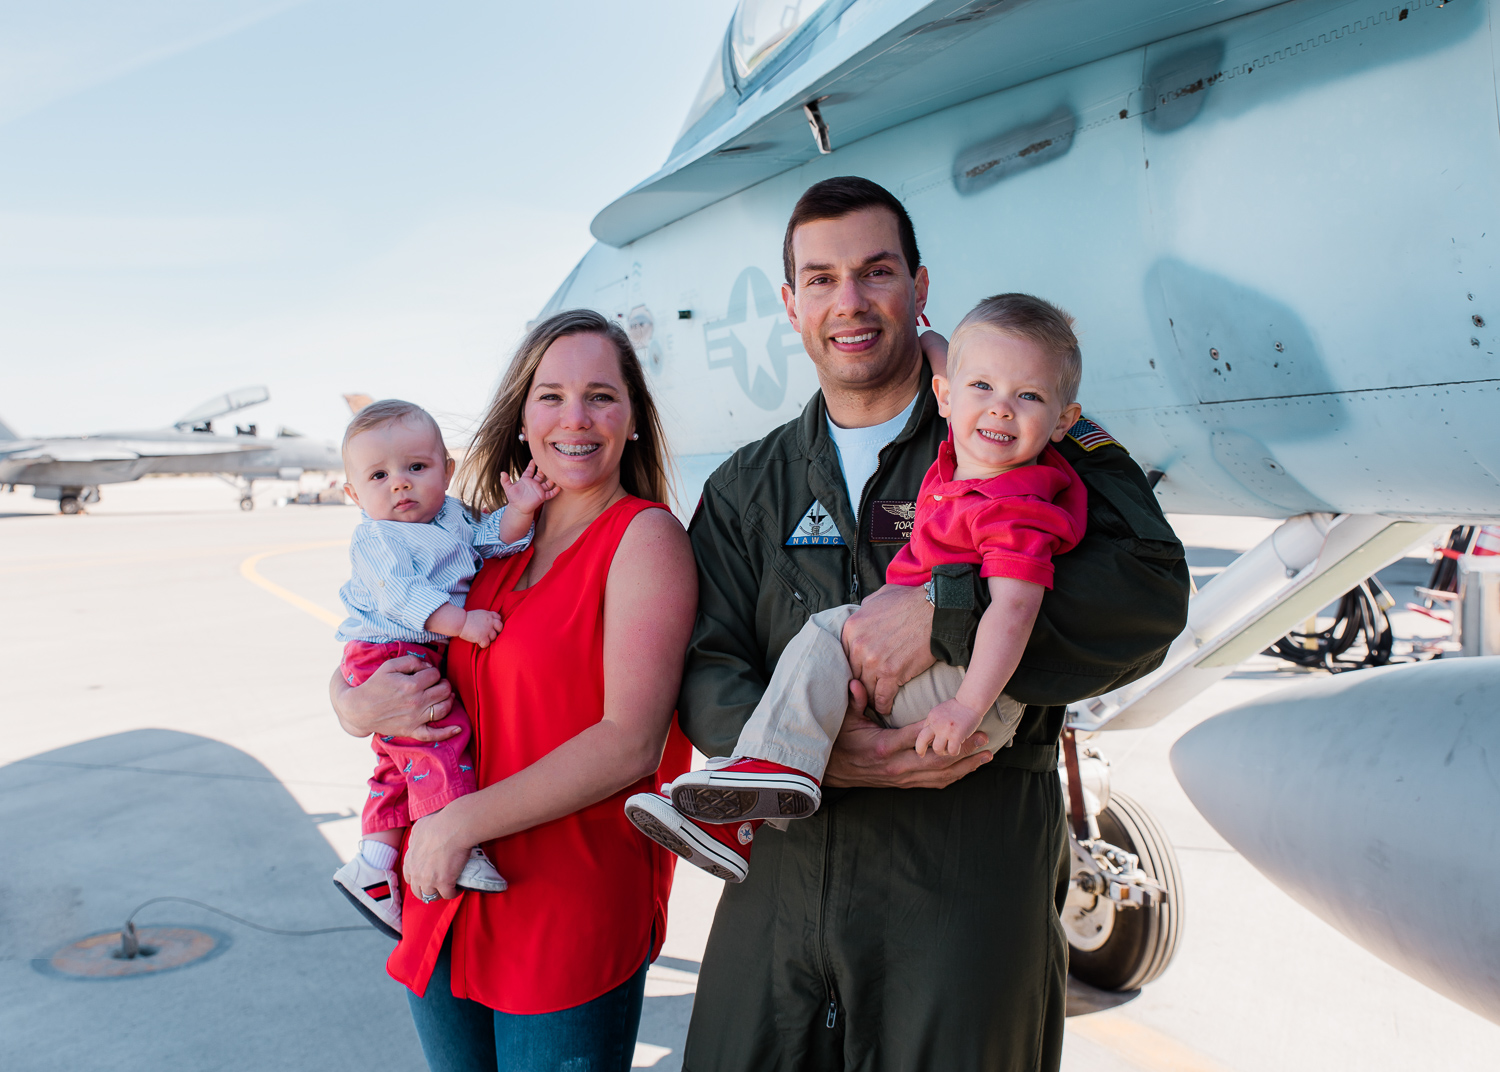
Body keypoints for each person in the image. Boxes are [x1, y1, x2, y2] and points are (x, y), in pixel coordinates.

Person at [675, 177, 1190, 1071]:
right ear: (792, 304)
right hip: (782, 896)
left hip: (962, 888)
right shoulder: (746, 488)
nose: (851, 301)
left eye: (876, 271)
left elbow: (1146, 595)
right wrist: (820, 756)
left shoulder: (1026, 433)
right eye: (823, 279)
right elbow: (704, 664)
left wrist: (946, 616)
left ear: (920, 288)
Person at [328, 309, 697, 1072]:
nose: (575, 418)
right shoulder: (485, 543)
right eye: (551, 396)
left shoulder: (644, 538)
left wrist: (454, 824)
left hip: (559, 908)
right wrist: (350, 703)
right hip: (448, 894)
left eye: (601, 395)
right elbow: (377, 630)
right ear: (523, 419)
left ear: (633, 420)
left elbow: (630, 741)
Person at [626, 294, 1089, 881]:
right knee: (833, 640)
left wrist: (965, 703)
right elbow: (959, 368)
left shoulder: (1014, 502)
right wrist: (930, 344)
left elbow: (1015, 608)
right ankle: (742, 811)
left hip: (964, 699)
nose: (999, 410)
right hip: (948, 691)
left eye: (1028, 397)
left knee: (826, 630)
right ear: (947, 396)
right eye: (981, 388)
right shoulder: (969, 465)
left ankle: (748, 799)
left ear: (1065, 420)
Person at [330, 399, 557, 937]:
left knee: (398, 766)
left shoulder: (451, 517)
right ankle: (455, 836)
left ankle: (372, 866)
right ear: (354, 495)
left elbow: (487, 542)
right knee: (438, 738)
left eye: (416, 467)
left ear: (447, 470)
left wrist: (521, 510)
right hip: (386, 650)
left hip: (417, 648)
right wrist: (461, 623)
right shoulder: (378, 537)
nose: (400, 485)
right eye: (379, 476)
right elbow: (398, 596)